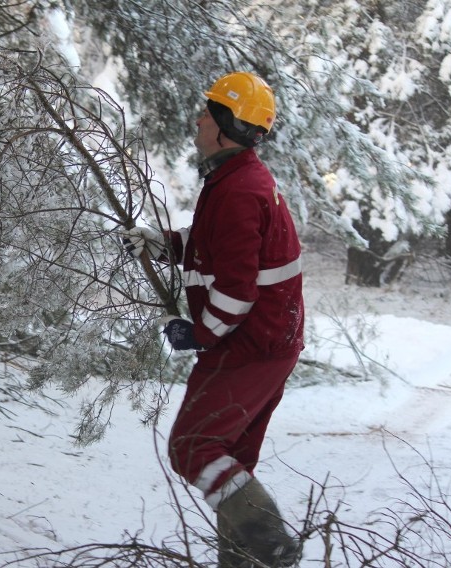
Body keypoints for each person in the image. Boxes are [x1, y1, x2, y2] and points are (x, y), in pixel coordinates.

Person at [123, 71, 304, 567]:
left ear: (228, 125)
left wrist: (198, 332)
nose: (199, 118)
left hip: (251, 347)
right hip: (267, 345)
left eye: (209, 111)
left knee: (193, 447)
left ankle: (272, 545)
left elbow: (238, 289)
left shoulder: (240, 190)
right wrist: (164, 245)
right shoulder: (234, 182)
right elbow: (217, 248)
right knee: (231, 462)